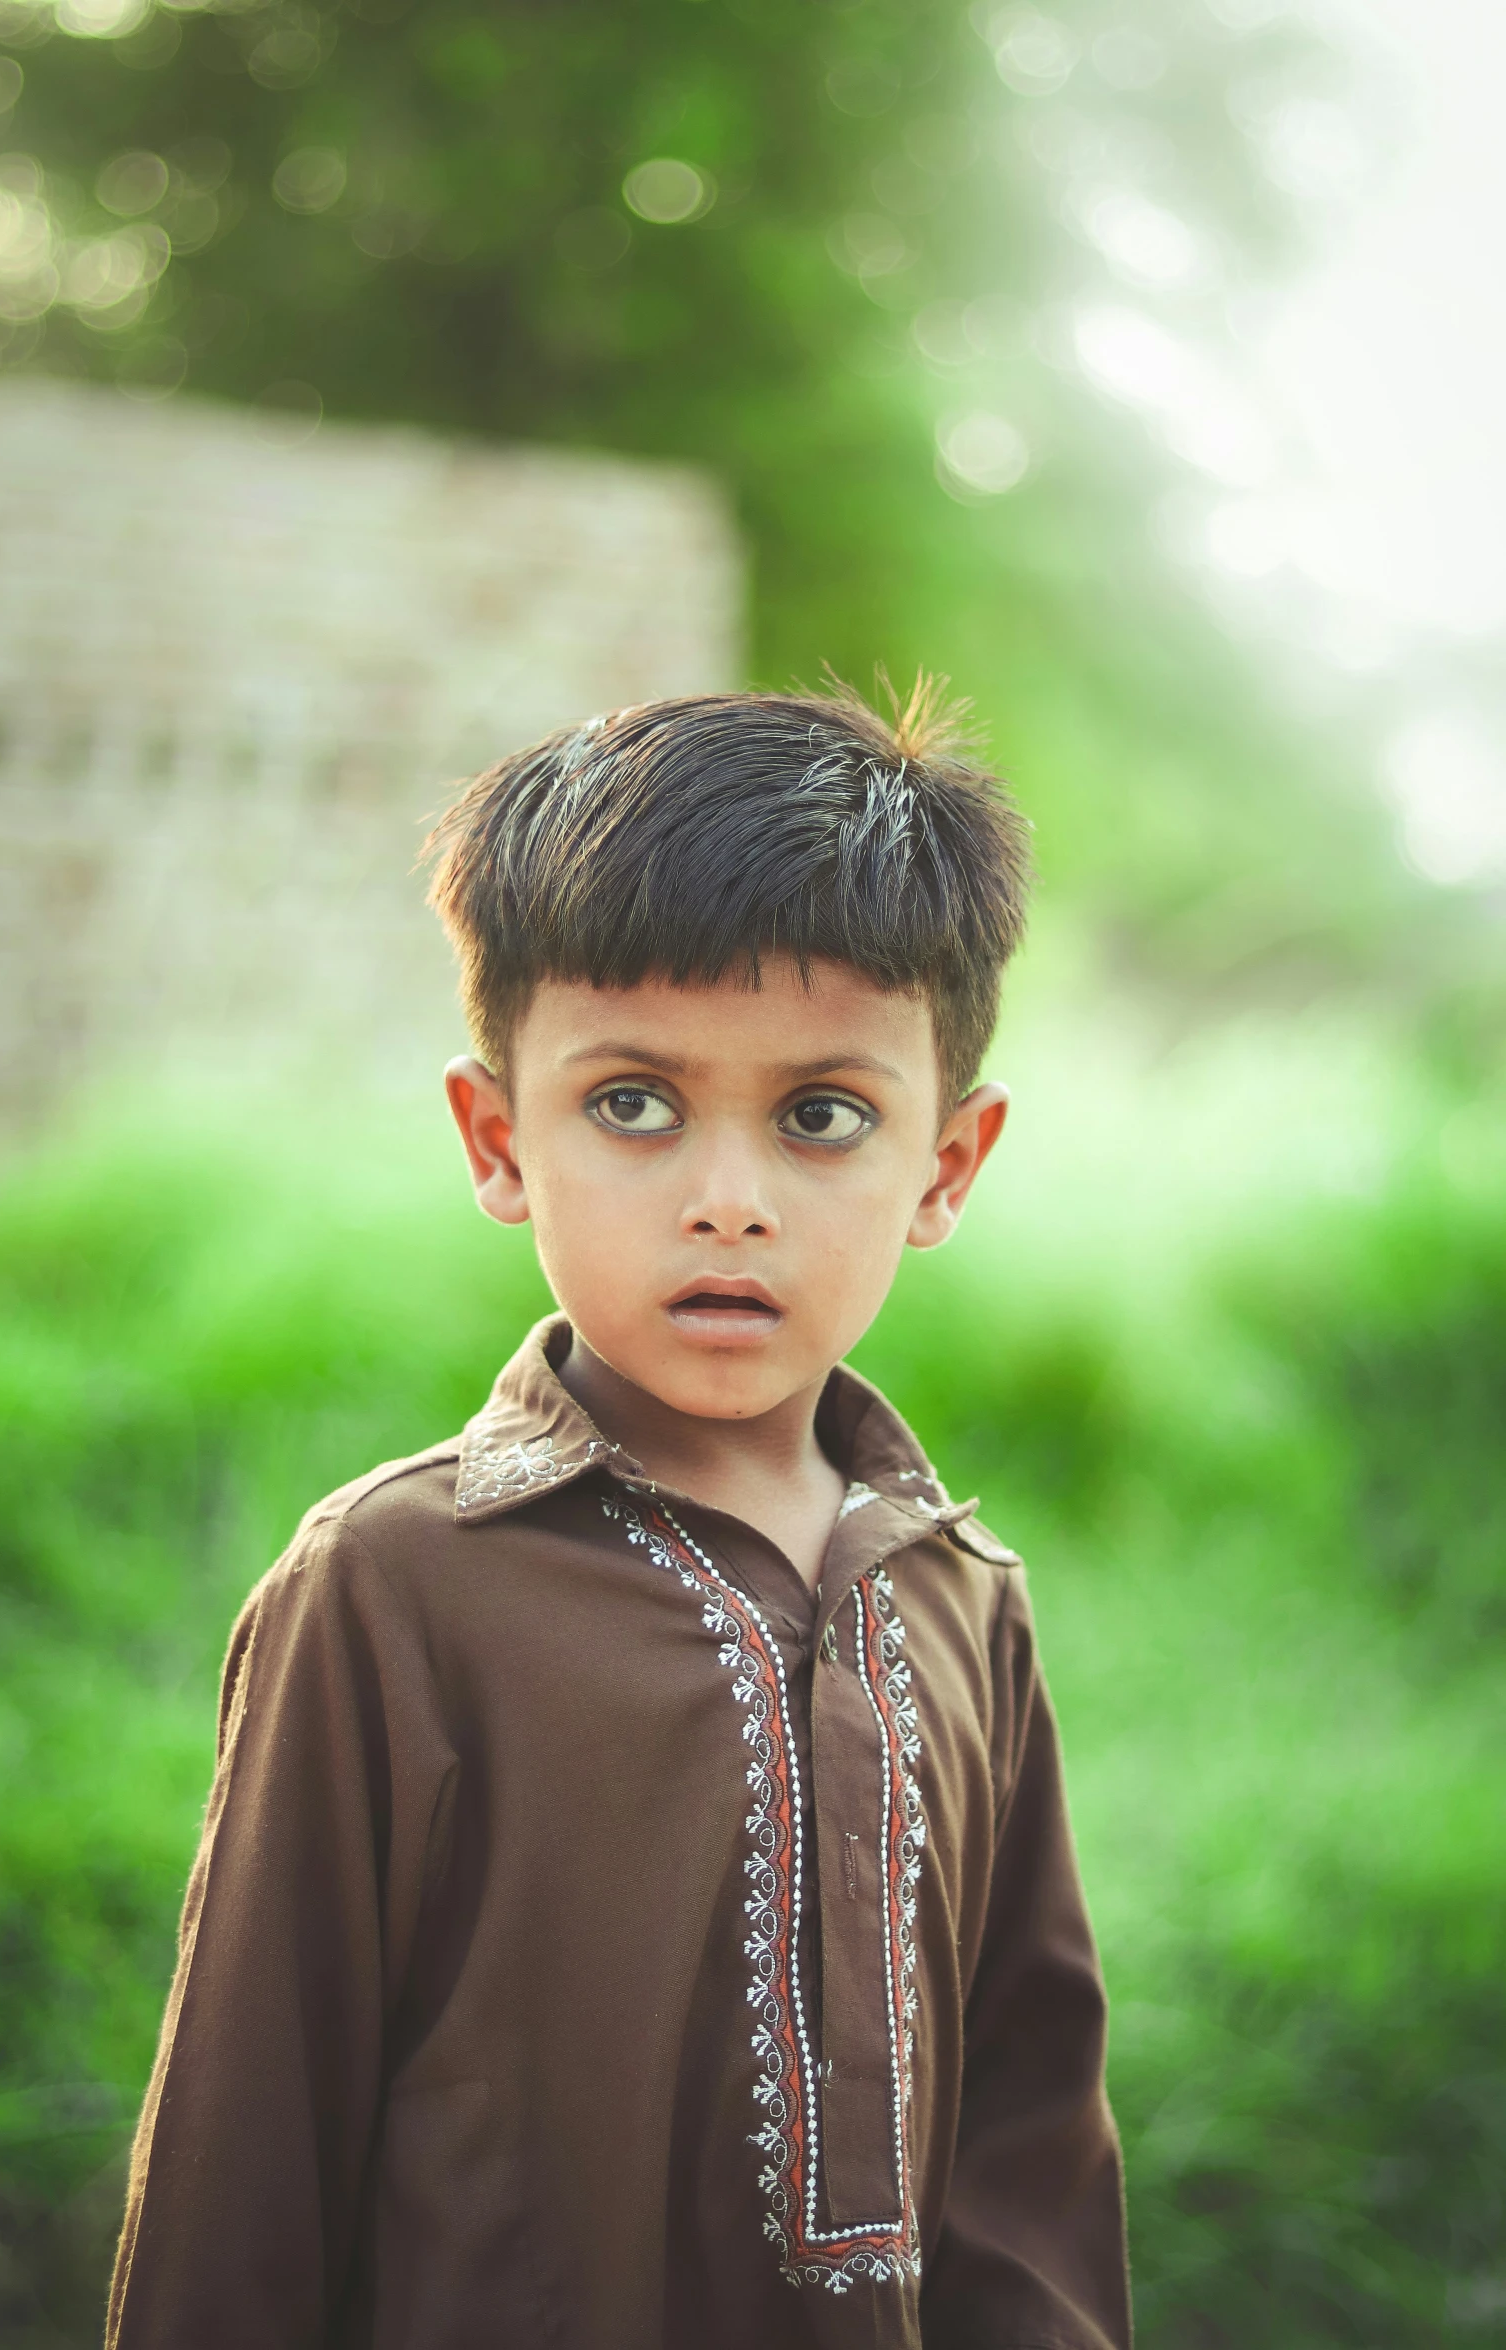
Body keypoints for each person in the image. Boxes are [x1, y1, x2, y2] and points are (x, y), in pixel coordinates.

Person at [106, 682, 1131, 2350]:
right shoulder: (389, 1588)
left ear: (944, 1166)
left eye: (822, 1115)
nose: (725, 1193)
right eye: (633, 1102)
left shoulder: (962, 1596)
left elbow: (1034, 2168)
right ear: (500, 1136)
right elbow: (241, 2178)